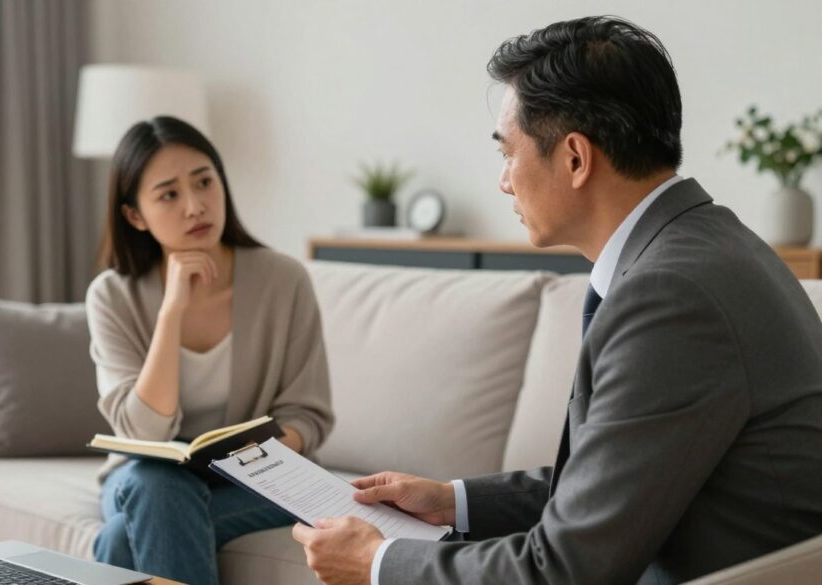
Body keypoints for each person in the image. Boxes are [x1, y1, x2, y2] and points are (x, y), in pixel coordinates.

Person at [292, 16, 822, 585]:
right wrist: (454, 501)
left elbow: (565, 571)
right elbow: (624, 478)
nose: (502, 181)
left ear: (574, 157)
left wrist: (376, 564)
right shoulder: (710, 245)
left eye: (507, 153)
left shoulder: (670, 297)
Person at [86, 115, 334, 585]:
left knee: (121, 538)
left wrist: (248, 462)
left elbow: (308, 415)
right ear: (134, 215)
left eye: (204, 183)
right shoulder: (111, 296)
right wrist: (171, 312)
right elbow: (142, 432)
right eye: (169, 194)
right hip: (143, 479)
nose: (195, 206)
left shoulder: (284, 280)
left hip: (263, 479)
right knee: (155, 481)